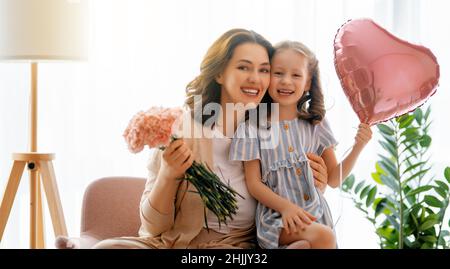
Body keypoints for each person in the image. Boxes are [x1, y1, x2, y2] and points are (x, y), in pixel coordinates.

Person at [73, 29, 329, 249]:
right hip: (178, 244)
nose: (255, 78)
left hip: (241, 247)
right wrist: (168, 174)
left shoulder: (273, 132)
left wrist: (317, 181)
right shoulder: (183, 130)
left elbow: (293, 202)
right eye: (243, 67)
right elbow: (152, 227)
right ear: (219, 74)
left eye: (264, 70)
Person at [230, 41, 372, 249]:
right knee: (324, 237)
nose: (286, 81)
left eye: (296, 75)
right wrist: (286, 208)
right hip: (278, 219)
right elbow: (254, 184)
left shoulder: (316, 124)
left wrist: (358, 147)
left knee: (307, 244)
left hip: (315, 214)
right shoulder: (253, 126)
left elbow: (333, 179)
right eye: (278, 73)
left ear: (307, 83)